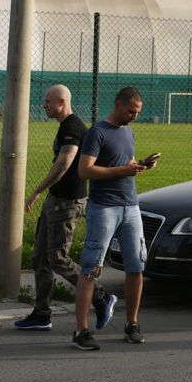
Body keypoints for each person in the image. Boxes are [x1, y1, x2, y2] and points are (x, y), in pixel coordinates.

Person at [71, 87, 159, 351]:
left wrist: (140, 164)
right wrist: (123, 169)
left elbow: (126, 163)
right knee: (91, 268)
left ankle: (132, 323)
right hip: (104, 208)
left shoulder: (128, 132)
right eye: (131, 111)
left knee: (136, 266)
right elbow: (85, 170)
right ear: (119, 105)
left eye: (138, 112)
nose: (134, 116)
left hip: (131, 207)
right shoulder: (97, 133)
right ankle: (81, 330)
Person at [13, 85, 87, 331]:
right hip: (55, 201)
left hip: (66, 202)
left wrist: (37, 190)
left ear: (62, 101)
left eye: (47, 101)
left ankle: (98, 294)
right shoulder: (65, 126)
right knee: (40, 258)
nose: (43, 105)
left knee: (58, 259)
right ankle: (42, 313)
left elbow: (64, 163)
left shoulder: (73, 127)